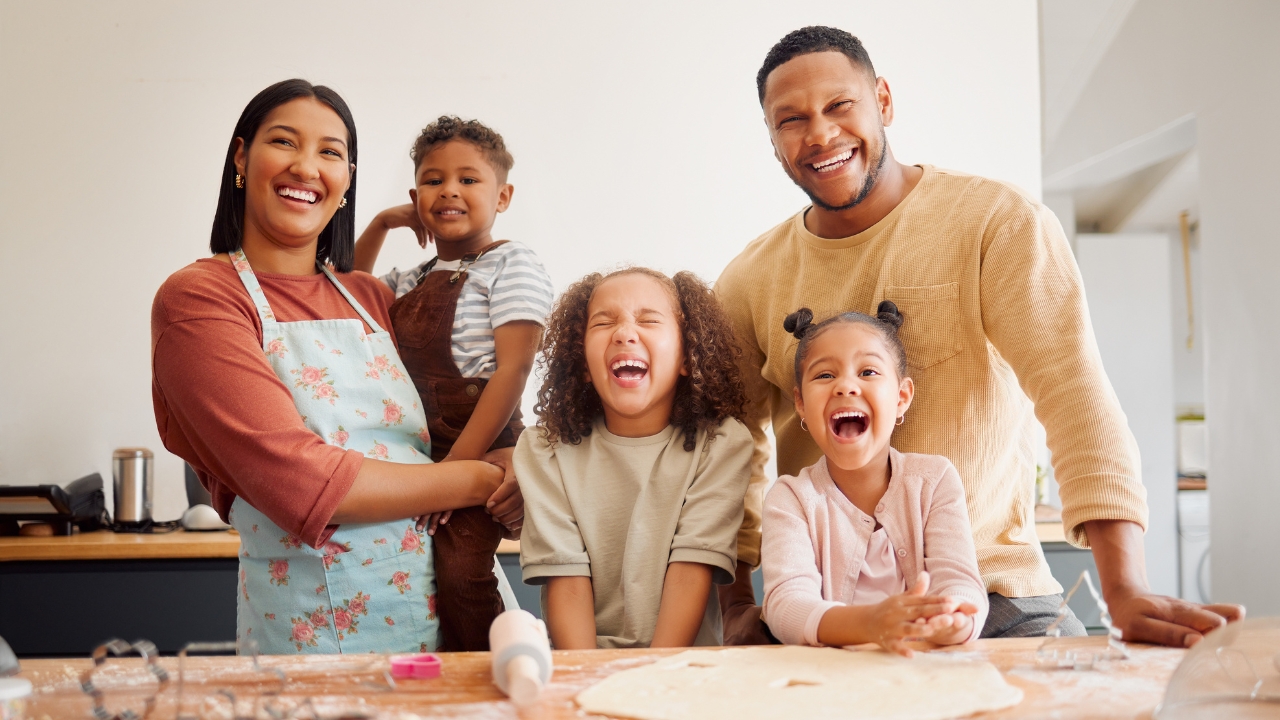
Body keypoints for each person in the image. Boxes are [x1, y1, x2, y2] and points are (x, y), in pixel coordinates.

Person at [715, 26, 1245, 646]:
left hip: (996, 595)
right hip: (828, 613)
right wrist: (734, 609)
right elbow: (728, 455)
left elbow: (1072, 392)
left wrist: (1124, 587)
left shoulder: (996, 223)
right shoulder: (750, 280)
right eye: (792, 120)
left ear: (883, 100)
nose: (821, 134)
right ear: (774, 141)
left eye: (840, 105)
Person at [151, 80, 520, 654]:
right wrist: (480, 479)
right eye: (284, 142)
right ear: (242, 158)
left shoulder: (371, 296)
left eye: (330, 152)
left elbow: (459, 395)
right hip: (324, 633)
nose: (306, 167)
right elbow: (301, 482)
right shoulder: (201, 299)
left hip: (458, 606)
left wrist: (515, 452)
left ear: (346, 179)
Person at [353, 116, 553, 650]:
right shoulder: (412, 279)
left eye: (468, 179)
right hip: (419, 451)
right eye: (434, 180)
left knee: (463, 571)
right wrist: (380, 223)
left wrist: (456, 469)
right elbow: (343, 291)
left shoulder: (512, 263)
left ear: (503, 195)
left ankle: (485, 678)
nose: (450, 190)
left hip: (482, 448)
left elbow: (512, 371)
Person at [516, 269, 752, 648]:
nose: (624, 333)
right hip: (583, 670)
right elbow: (568, 584)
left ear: (687, 356)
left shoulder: (721, 444)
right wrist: (588, 682)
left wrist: (649, 683)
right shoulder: (544, 449)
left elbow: (690, 573)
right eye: (604, 321)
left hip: (678, 674)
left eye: (648, 321)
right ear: (582, 361)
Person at [761, 302, 985, 655]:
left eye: (867, 372)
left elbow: (960, 582)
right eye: (824, 375)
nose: (845, 386)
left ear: (901, 397)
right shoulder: (790, 498)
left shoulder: (935, 480)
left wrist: (953, 620)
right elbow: (785, 605)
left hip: (923, 667)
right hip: (831, 680)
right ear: (801, 404)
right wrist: (870, 624)